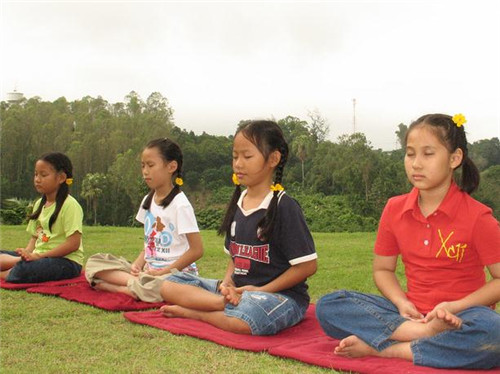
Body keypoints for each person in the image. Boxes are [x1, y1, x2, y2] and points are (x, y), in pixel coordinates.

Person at [315, 113, 500, 369]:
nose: (416, 164)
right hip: (407, 314)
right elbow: (383, 269)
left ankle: (388, 349)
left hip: (465, 315)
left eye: (428, 154)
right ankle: (420, 335)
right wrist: (402, 303)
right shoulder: (395, 208)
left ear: (455, 158)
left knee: (494, 334)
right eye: (410, 153)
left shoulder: (478, 217)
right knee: (328, 306)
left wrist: (455, 307)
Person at [157, 120, 317, 335]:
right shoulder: (238, 202)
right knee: (169, 283)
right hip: (237, 292)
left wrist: (260, 290)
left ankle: (199, 311)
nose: (238, 164)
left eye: (247, 156)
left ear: (273, 159)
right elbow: (234, 259)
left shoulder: (284, 206)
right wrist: (226, 284)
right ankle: (222, 303)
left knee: (250, 319)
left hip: (277, 296)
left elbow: (307, 266)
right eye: (235, 156)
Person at [85, 138, 203, 302]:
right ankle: (136, 285)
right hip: (148, 271)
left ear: (171, 167)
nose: (145, 171)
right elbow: (149, 243)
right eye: (143, 166)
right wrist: (137, 264)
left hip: (175, 275)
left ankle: (121, 287)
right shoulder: (148, 199)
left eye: (151, 165)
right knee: (95, 262)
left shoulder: (180, 205)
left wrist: (163, 272)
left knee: (160, 288)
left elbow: (197, 250)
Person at [0, 152, 84, 283]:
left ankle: (11, 270)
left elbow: (73, 244)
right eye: (35, 174)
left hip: (66, 261)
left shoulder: (70, 205)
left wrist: (39, 256)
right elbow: (35, 236)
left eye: (43, 175)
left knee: (26, 269)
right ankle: (18, 263)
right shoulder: (39, 204)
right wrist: (27, 253)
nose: (37, 179)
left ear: (61, 177)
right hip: (38, 256)